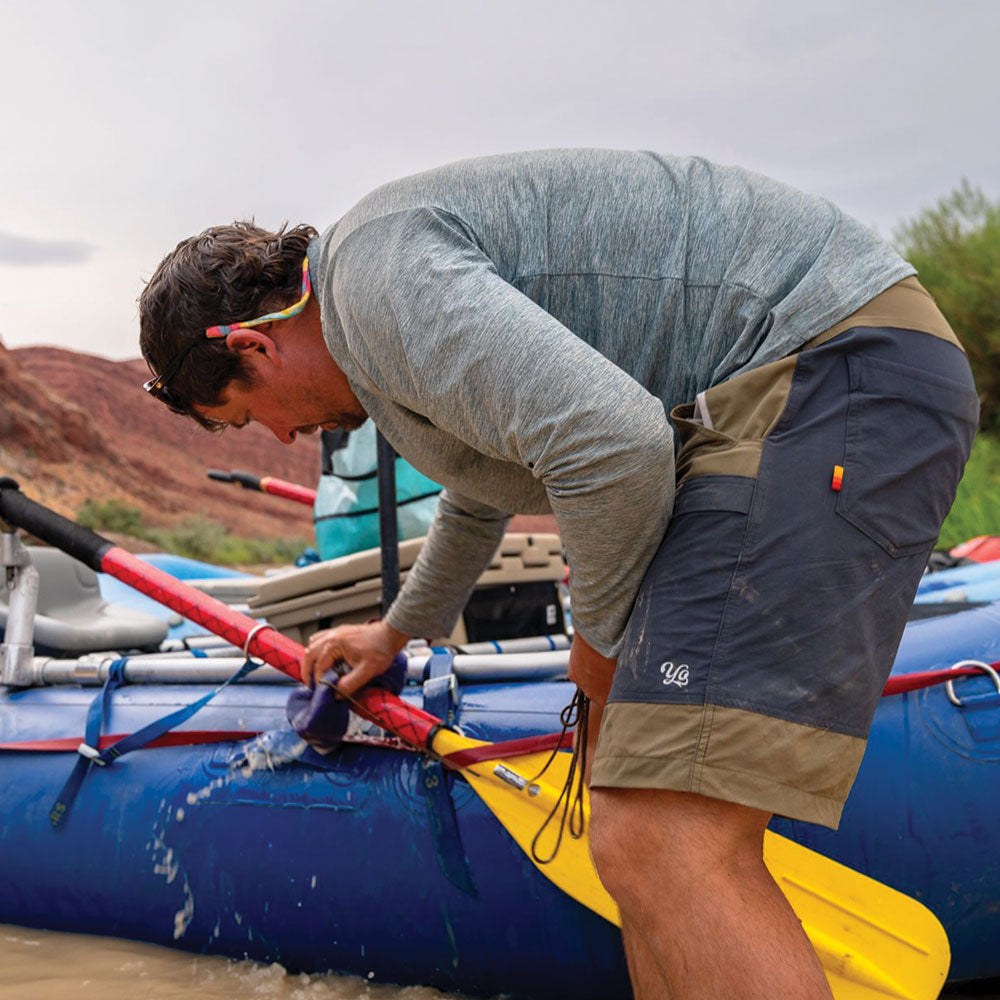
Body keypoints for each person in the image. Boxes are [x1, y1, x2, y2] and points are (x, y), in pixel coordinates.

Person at [139, 149, 978, 999]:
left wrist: (599, 642)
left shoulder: (377, 282)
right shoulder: (377, 328)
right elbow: (481, 488)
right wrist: (398, 631)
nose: (281, 440)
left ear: (252, 346)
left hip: (829, 369)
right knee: (632, 837)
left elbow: (617, 449)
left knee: (665, 838)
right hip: (796, 390)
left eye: (248, 416)